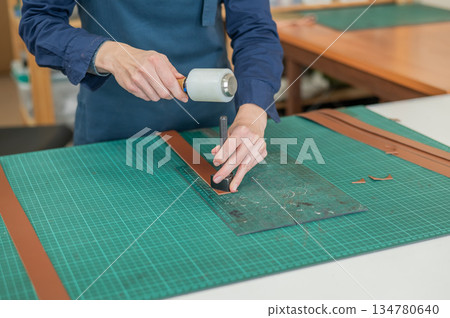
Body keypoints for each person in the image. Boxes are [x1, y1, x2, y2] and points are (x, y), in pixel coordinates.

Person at [19, 0, 283, 192]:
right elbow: (39, 22)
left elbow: (255, 30)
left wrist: (252, 114)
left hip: (210, 128)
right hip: (114, 132)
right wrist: (108, 54)